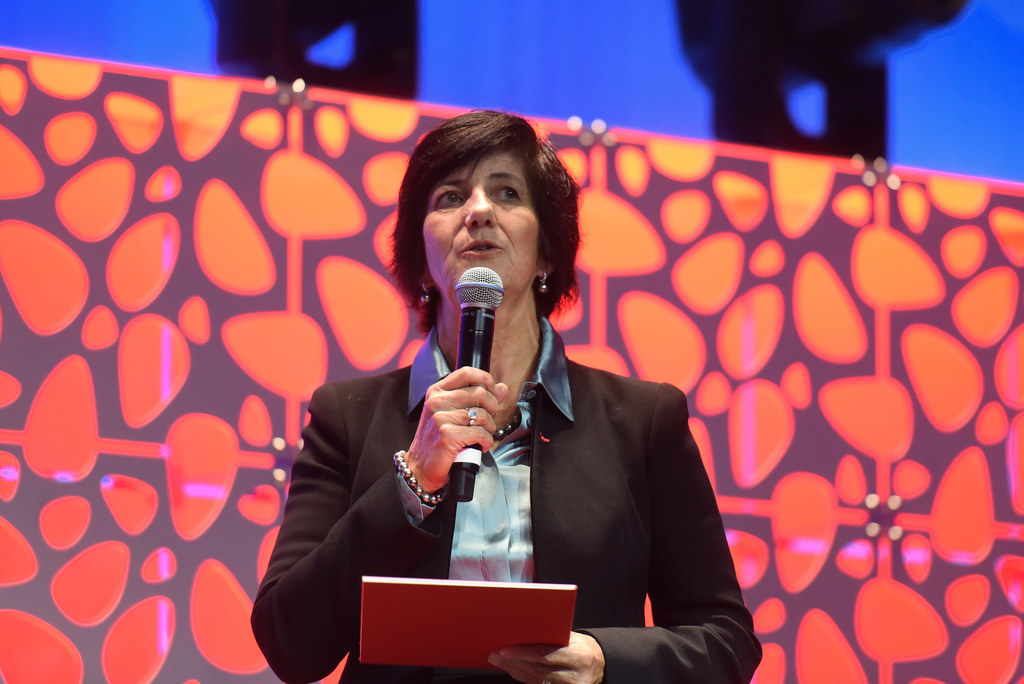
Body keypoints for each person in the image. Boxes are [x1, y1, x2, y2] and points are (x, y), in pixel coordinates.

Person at [250, 110, 762, 684]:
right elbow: (289, 644)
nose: (478, 211)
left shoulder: (643, 422)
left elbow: (725, 639)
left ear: (548, 253)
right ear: (420, 257)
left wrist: (606, 660)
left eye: (507, 192)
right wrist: (411, 483)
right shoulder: (347, 417)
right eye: (450, 197)